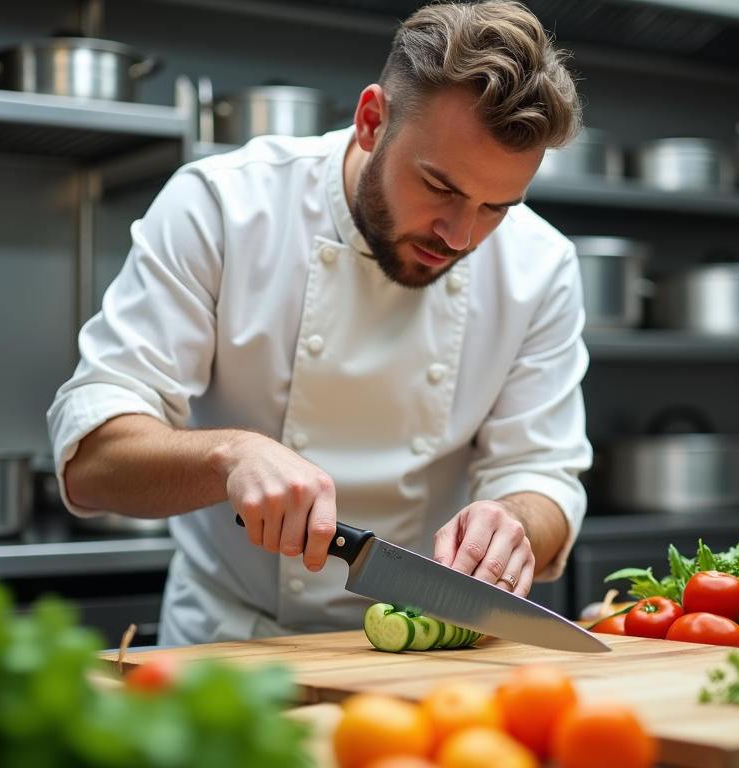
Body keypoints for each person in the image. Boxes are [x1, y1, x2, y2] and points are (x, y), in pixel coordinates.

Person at [48, 0, 591, 646]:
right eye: (440, 188)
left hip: (423, 651)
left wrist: (514, 521)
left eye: (496, 206)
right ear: (371, 121)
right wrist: (231, 456)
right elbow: (92, 457)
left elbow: (545, 474)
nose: (461, 235)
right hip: (227, 645)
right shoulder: (224, 205)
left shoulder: (541, 264)